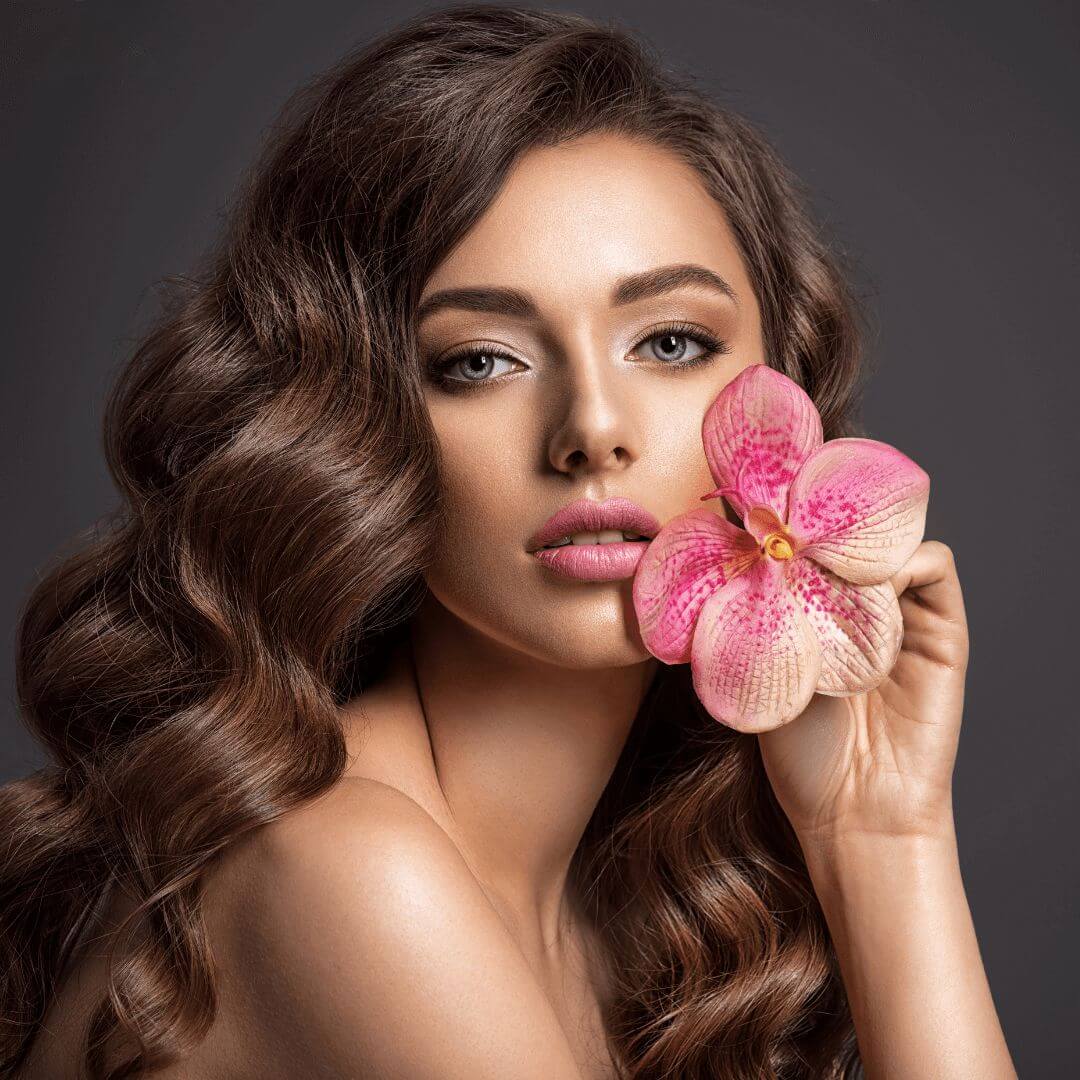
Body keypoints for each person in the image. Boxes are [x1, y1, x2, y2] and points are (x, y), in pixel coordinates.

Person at [1, 5, 1017, 1078]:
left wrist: (883, 836)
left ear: (784, 394)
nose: (591, 431)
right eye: (480, 361)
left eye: (671, 343)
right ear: (356, 424)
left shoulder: (617, 921)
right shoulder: (349, 873)